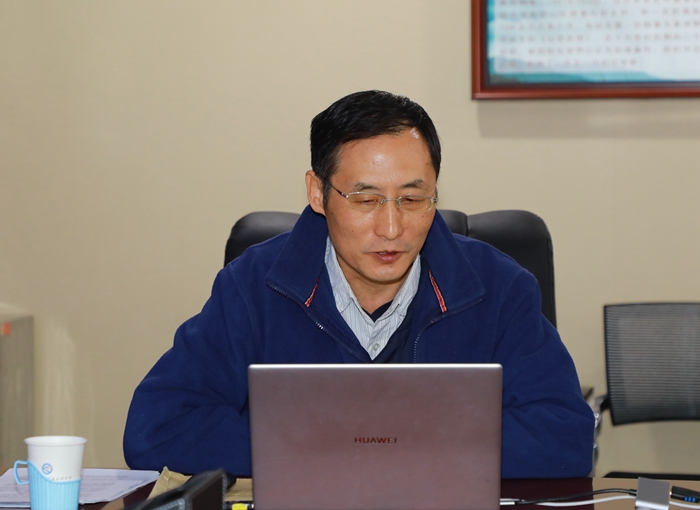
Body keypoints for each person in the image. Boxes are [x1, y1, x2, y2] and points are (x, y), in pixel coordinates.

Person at [123, 90, 594, 478]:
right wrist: (343, 452)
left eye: (413, 199)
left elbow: (564, 437)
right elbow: (158, 427)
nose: (391, 228)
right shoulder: (254, 286)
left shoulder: (499, 287)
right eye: (366, 200)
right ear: (317, 193)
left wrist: (382, 449)